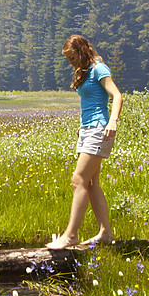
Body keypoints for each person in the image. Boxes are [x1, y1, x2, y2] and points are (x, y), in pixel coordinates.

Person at [46, 35, 123, 250]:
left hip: (100, 129)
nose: (70, 62)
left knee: (77, 180)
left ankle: (70, 235)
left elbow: (117, 96)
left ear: (82, 52)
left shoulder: (99, 68)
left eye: (72, 57)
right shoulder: (85, 72)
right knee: (90, 183)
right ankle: (105, 233)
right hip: (87, 131)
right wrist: (81, 128)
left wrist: (113, 121)